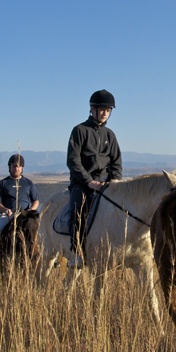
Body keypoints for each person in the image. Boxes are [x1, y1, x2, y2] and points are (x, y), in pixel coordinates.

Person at [66, 89, 123, 268]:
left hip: (105, 182)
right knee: (78, 209)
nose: (105, 113)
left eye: (108, 110)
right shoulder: (79, 131)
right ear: (92, 109)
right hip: (83, 182)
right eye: (102, 109)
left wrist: (115, 182)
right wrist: (88, 181)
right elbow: (73, 161)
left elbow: (116, 162)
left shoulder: (110, 135)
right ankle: (77, 253)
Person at [0, 154, 40, 263]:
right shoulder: (3, 183)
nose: (16, 169)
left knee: (40, 234)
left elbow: (35, 200)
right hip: (7, 215)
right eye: (14, 166)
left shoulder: (29, 183)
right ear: (9, 167)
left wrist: (31, 210)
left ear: (22, 168)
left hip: (26, 216)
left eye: (19, 167)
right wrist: (5, 210)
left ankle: (47, 259)